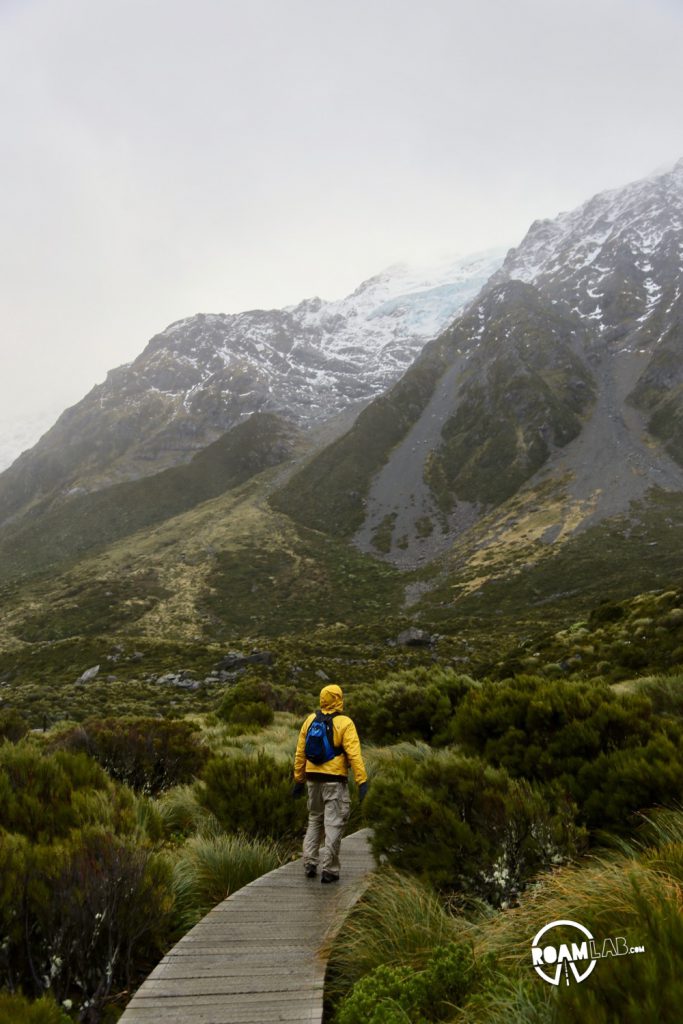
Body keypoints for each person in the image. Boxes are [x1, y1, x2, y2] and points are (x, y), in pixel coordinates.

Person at [292, 683, 368, 883]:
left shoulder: (310, 720)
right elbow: (354, 754)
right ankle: (330, 869)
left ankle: (309, 862)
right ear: (339, 699)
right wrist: (362, 781)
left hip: (311, 778)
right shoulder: (345, 723)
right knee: (333, 823)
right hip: (334, 780)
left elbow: (300, 752)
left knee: (314, 819)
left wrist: (298, 779)